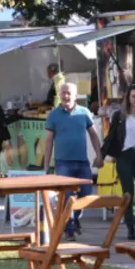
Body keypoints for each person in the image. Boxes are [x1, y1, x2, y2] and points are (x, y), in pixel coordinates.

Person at [42, 82, 104, 240]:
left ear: (76, 96)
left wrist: (99, 154)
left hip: (82, 161)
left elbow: (93, 135)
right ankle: (69, 228)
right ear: (59, 95)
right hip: (63, 162)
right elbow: (48, 141)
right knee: (67, 196)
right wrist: (46, 165)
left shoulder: (84, 113)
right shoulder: (53, 115)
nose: (66, 96)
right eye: (63, 92)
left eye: (69, 93)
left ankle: (75, 218)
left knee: (86, 194)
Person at [101, 84, 135, 239]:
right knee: (128, 193)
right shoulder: (119, 115)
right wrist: (101, 155)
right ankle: (130, 227)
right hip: (124, 157)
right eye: (133, 96)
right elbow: (111, 136)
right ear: (128, 98)